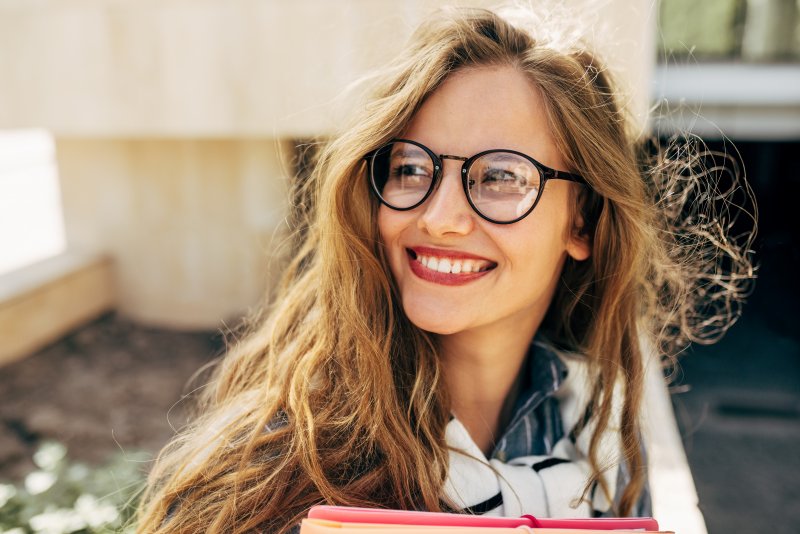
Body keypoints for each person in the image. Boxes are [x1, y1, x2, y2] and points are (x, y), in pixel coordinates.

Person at [135, 6, 755, 533]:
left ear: (583, 223)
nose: (440, 217)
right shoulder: (279, 464)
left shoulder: (598, 432)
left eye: (502, 176)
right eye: (411, 167)